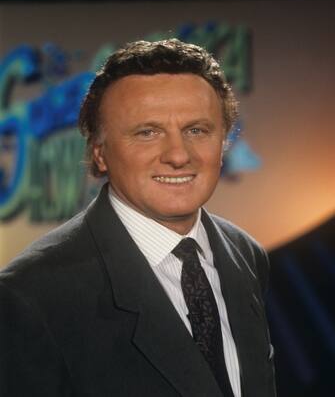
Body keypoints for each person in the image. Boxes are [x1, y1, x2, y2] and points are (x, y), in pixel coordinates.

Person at [0, 39, 276, 397]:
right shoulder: (29, 297)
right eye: (147, 133)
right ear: (99, 153)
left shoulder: (246, 254)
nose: (179, 155)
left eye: (197, 130)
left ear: (223, 142)